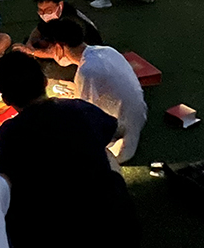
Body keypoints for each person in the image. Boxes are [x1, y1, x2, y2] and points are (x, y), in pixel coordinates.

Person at [0, 51, 137, 248]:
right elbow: (119, 129)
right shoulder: (78, 109)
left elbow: (7, 178)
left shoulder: (9, 133)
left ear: (5, 99)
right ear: (45, 82)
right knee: (104, 152)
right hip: (114, 238)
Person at [36, 18, 147, 164]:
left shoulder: (87, 70)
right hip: (136, 120)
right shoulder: (107, 50)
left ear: (59, 47)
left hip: (120, 142)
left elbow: (85, 118)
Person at [14, 0, 102, 73]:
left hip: (87, 55)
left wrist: (32, 52)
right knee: (33, 44)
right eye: (41, 11)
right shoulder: (51, 14)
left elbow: (58, 53)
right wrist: (29, 43)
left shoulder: (69, 21)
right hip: (64, 47)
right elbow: (39, 28)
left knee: (49, 67)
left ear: (60, 5)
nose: (44, 14)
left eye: (48, 11)